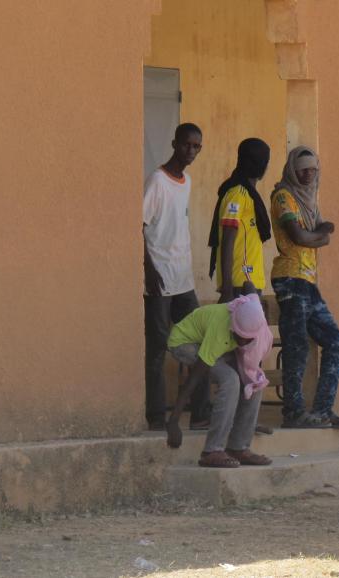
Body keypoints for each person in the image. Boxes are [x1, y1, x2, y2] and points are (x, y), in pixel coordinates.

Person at [269, 146, 339, 429]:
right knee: (296, 347)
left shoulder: (309, 201)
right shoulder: (283, 196)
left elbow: (316, 236)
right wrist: (317, 234)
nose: (308, 174)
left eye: (313, 169)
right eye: (303, 169)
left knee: (336, 342)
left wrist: (313, 236)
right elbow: (299, 236)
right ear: (293, 169)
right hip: (290, 278)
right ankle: (293, 412)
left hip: (307, 281)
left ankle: (322, 411)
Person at [143, 122, 211, 431]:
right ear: (174, 144)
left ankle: (200, 412)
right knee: (158, 347)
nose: (191, 151)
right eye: (186, 145)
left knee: (201, 342)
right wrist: (149, 270)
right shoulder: (157, 181)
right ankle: (156, 415)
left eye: (197, 146)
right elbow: (139, 226)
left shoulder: (187, 181)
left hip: (184, 280)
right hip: (159, 279)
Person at [165, 289, 274, 468]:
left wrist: (246, 420)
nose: (244, 343)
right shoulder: (220, 330)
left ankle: (238, 447)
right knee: (230, 380)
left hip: (212, 344)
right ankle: (211, 451)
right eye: (240, 337)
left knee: (254, 382)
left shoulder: (258, 327)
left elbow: (250, 286)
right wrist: (174, 421)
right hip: (184, 343)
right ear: (233, 326)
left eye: (249, 339)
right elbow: (194, 378)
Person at [209, 138, 272, 302]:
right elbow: (228, 239)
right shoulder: (238, 193)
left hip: (250, 281)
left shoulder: (249, 194)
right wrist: (227, 288)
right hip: (240, 283)